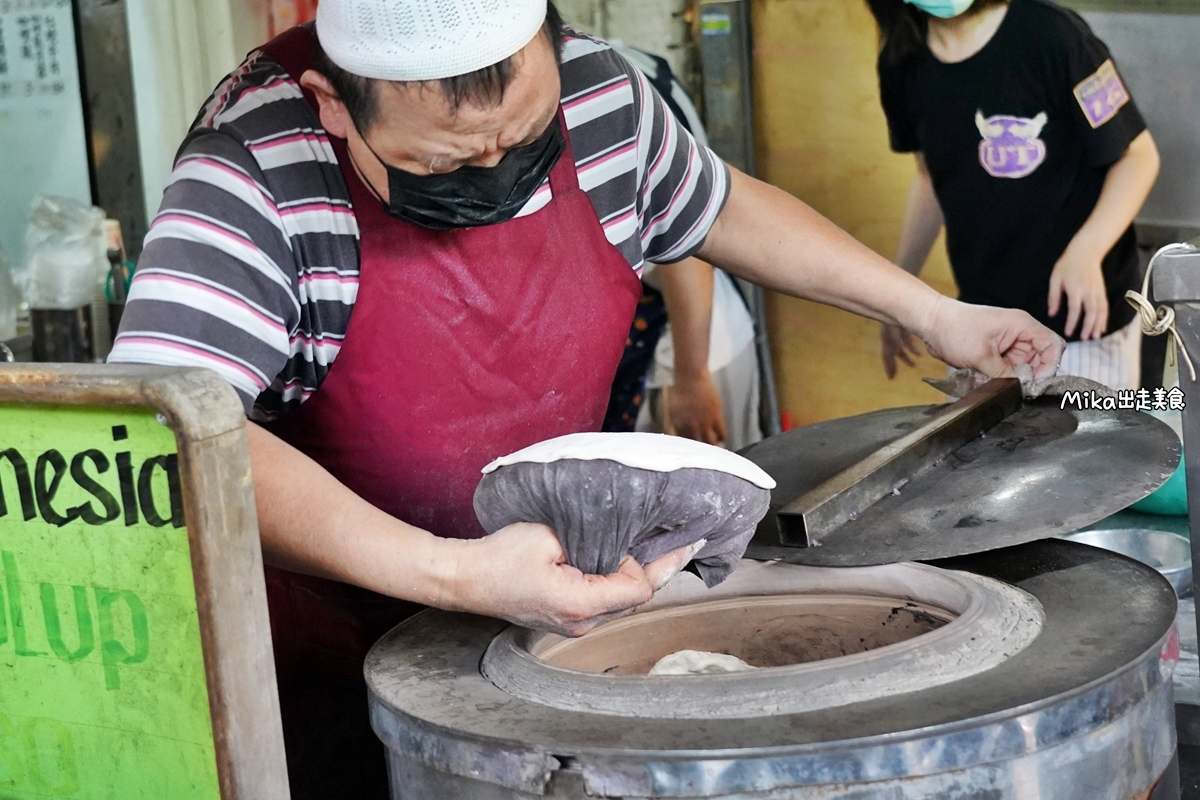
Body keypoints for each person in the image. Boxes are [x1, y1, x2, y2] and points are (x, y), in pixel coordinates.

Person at [108, 0, 1064, 794]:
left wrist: (934, 312)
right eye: (441, 166)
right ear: (333, 103)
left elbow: (718, 205)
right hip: (319, 655)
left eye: (522, 144)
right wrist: (453, 574)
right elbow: (174, 433)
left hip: (538, 605)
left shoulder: (604, 90)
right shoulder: (252, 168)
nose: (492, 180)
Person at [868, 0, 1159, 391]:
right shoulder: (901, 61)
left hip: (1084, 324)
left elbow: (1138, 157)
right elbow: (929, 179)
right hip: (983, 328)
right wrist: (897, 290)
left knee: (1098, 448)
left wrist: (1086, 250)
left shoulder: (1054, 35)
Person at [601, 41, 763, 449]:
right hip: (671, 337)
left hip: (683, 347)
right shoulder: (628, 59)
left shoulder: (606, 86)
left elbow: (683, 248)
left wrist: (691, 378)